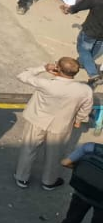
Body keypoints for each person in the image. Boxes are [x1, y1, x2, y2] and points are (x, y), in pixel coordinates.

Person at [14, 57, 93, 190]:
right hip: (61, 125)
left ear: (58, 68)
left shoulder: (46, 83)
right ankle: (49, 181)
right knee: (54, 154)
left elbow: (22, 75)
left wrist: (43, 68)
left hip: (37, 120)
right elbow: (86, 108)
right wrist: (79, 120)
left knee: (29, 150)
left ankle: (22, 178)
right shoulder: (85, 90)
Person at [62, 0, 103, 83]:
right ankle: (80, 63)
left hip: (90, 32)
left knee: (84, 50)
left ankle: (93, 74)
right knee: (94, 52)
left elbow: (77, 7)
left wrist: (68, 10)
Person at [60, 143, 103, 223]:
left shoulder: (90, 147)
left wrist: (80, 168)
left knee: (72, 219)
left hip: (82, 191)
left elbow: (64, 163)